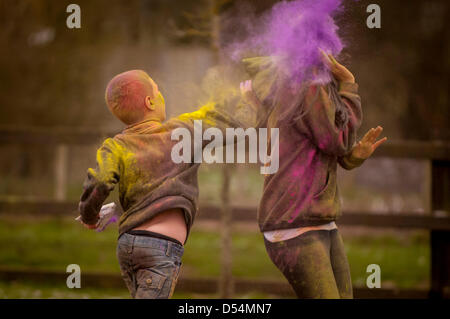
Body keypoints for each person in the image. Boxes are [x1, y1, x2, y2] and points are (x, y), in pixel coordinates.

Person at [77, 69, 252, 299]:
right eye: (158, 90)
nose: (162, 95)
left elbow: (100, 181)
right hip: (160, 247)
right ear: (150, 102)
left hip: (128, 244)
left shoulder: (115, 146)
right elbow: (238, 128)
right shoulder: (183, 131)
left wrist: (90, 216)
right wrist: (248, 101)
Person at [240, 52, 387, 299]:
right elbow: (336, 140)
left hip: (318, 220)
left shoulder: (306, 86)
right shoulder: (304, 84)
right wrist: (349, 84)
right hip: (296, 223)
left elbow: (317, 149)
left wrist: (352, 158)